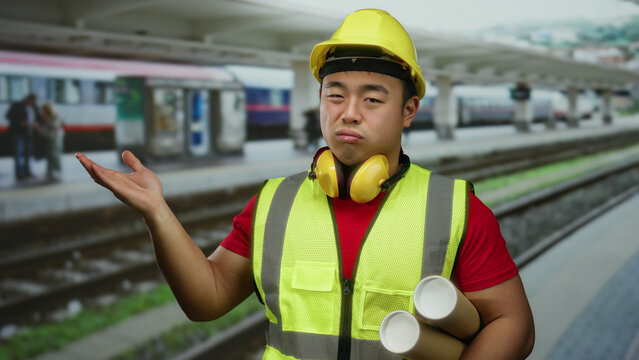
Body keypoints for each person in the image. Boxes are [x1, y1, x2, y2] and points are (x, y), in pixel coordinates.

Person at [77, 9, 534, 359]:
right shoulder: (274, 202)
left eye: (372, 98)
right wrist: (158, 212)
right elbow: (206, 299)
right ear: (320, 101)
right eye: (335, 94)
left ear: (408, 111)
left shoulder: (454, 209)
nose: (348, 112)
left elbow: (512, 323)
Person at [6, 93, 41, 181]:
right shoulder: (17, 106)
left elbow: (39, 118)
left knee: (28, 154)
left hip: (30, 133)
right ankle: (19, 174)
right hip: (19, 133)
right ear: (27, 99)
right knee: (18, 153)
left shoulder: (34, 107)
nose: (32, 102)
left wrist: (37, 124)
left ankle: (27, 172)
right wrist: (20, 122)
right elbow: (9, 116)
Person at [41, 102, 65, 181]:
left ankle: (58, 171)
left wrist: (47, 119)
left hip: (56, 137)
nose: (43, 112)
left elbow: (55, 126)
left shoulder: (55, 116)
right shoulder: (47, 116)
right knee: (49, 155)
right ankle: (49, 172)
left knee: (55, 154)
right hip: (49, 137)